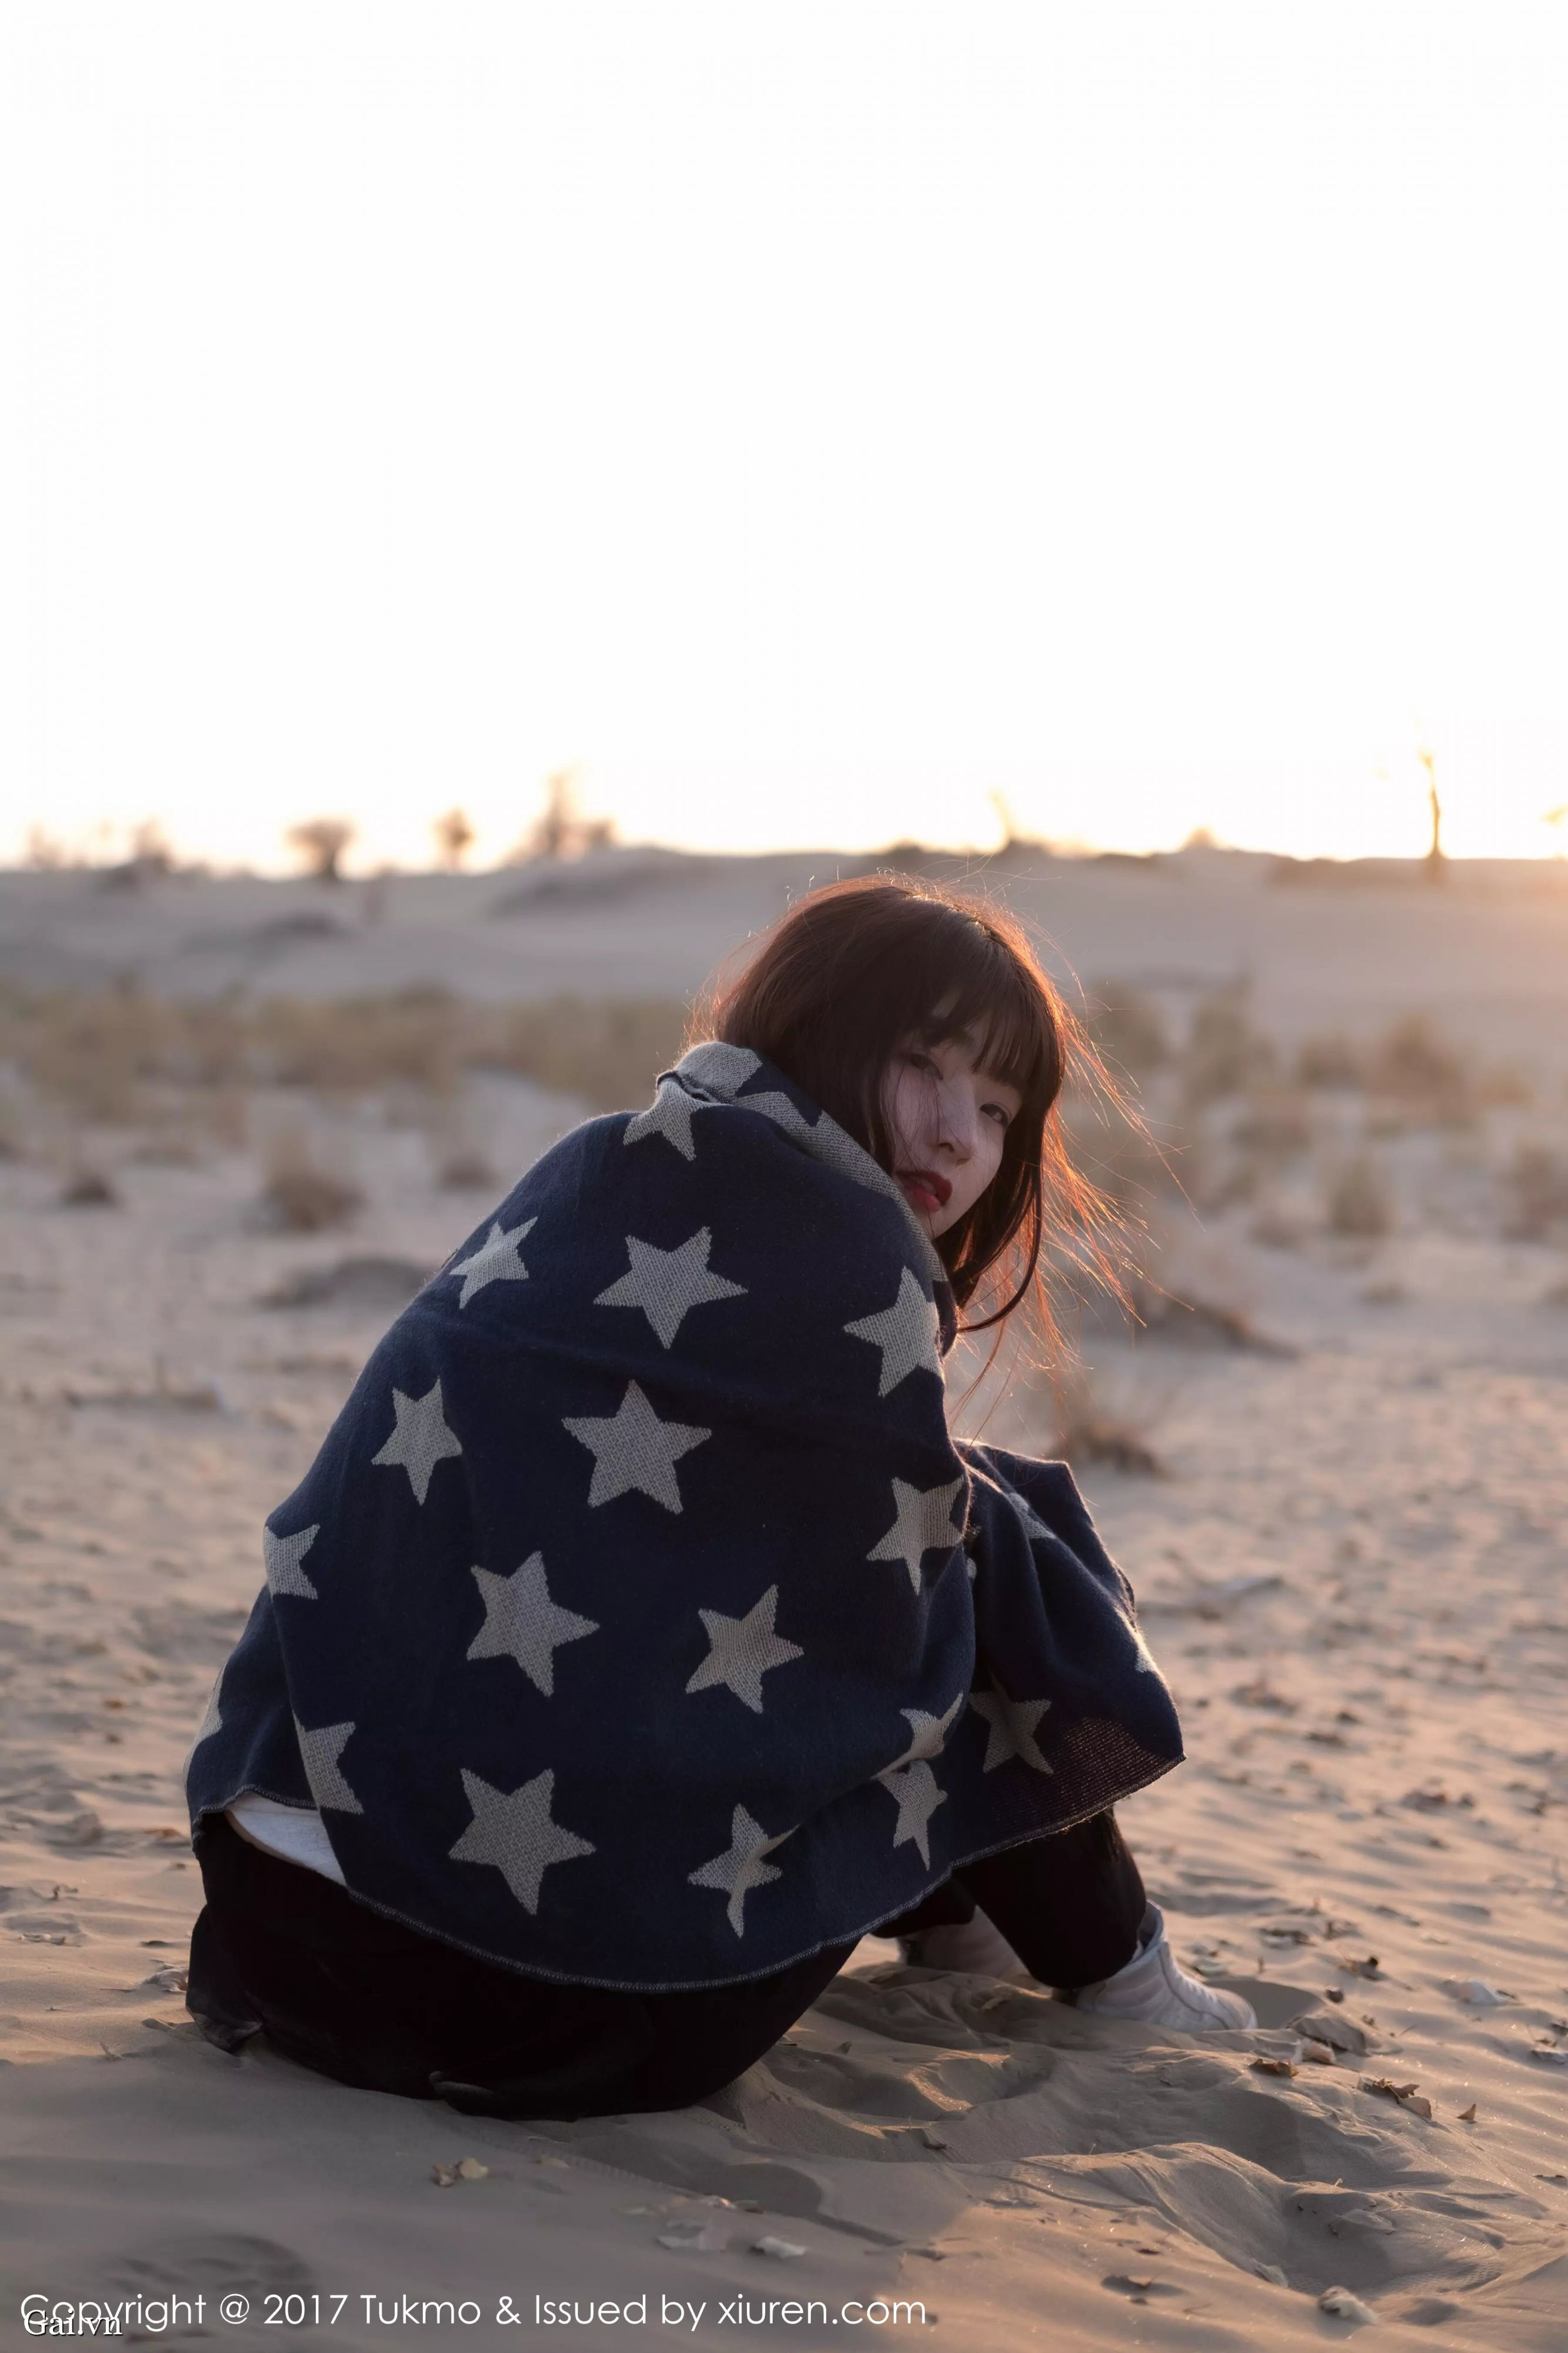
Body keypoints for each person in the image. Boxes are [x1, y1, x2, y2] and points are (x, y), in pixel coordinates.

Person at [185, 875, 1253, 2119]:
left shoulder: (597, 1166)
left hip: (279, 1934)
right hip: (549, 2004)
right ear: (810, 1032)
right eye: (922, 1064)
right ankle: (1113, 1966)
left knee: (920, 1528)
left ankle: (962, 1913)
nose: (960, 1134)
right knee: (979, 1554)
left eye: (998, 1106)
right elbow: (908, 1610)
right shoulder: (849, 1255)